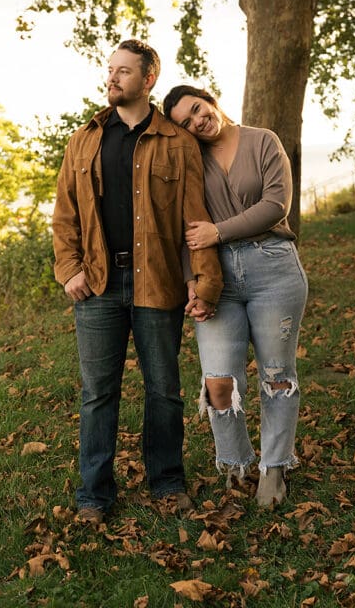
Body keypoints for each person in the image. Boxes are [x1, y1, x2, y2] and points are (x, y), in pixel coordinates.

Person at [52, 41, 223, 524]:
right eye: (110, 70)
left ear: (148, 79)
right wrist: (70, 270)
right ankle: (94, 496)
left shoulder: (179, 142)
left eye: (123, 71)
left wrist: (206, 281)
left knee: (164, 389)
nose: (112, 78)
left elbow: (196, 218)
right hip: (99, 286)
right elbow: (65, 216)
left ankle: (167, 482)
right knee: (98, 392)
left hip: (158, 282)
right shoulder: (83, 140)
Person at [162, 84, 308, 509]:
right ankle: (237, 463)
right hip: (216, 277)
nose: (196, 121)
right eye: (185, 123)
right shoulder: (192, 162)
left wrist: (220, 230)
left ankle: (274, 468)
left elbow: (276, 205)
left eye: (196, 109)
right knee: (219, 381)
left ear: (210, 100)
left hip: (274, 267)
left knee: (277, 375)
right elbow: (188, 228)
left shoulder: (263, 141)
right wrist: (193, 282)